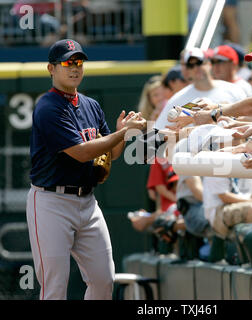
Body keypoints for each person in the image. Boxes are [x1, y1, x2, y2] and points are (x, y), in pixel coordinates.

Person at [26, 39, 146, 300]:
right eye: (68, 62)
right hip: (51, 202)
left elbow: (111, 153)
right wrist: (123, 132)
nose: (74, 68)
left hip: (88, 202)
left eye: (78, 62)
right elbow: (81, 153)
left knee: (104, 280)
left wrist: (122, 135)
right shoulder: (48, 107)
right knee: (55, 286)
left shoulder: (91, 105)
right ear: (51, 68)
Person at [154, 47, 247, 131]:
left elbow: (248, 118)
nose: (196, 68)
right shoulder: (177, 99)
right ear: (187, 70)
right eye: (190, 65)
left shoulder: (234, 90)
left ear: (209, 63)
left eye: (199, 62)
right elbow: (159, 130)